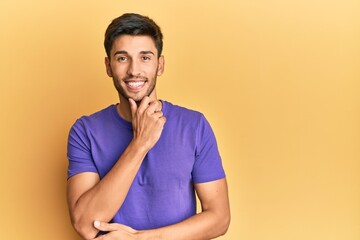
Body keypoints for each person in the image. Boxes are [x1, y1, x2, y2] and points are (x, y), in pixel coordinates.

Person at [66, 13, 230, 240]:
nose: (134, 70)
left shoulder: (194, 125)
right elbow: (85, 225)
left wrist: (140, 239)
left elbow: (219, 218)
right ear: (108, 66)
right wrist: (140, 144)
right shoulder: (85, 131)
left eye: (145, 57)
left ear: (159, 65)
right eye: (122, 58)